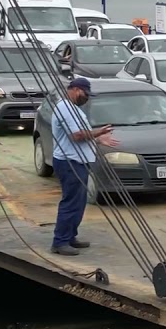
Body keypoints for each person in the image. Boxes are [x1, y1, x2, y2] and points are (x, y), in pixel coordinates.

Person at [49, 77, 118, 256]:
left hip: (80, 162)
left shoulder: (75, 109)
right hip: (70, 162)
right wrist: (99, 131)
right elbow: (77, 136)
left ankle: (70, 236)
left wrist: (97, 138)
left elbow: (84, 134)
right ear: (77, 90)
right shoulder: (65, 108)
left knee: (79, 203)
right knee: (71, 202)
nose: (86, 98)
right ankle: (60, 241)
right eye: (86, 94)